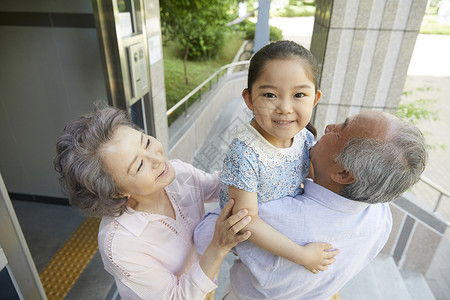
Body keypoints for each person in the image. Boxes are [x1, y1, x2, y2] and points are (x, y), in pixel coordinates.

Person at [195, 111, 428, 299]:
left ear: (344, 172)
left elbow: (204, 236)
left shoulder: (273, 215)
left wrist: (243, 179)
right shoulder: (381, 213)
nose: (329, 126)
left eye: (341, 129)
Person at [53, 106, 252, 299]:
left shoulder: (179, 174)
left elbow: (222, 185)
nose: (156, 158)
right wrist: (218, 246)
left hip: (205, 285)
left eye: (146, 143)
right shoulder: (120, 244)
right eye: (139, 165)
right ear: (115, 193)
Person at [217, 40, 338, 274]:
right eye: (270, 95)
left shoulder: (303, 136)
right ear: (249, 99)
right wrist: (302, 255)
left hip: (286, 220)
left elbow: (313, 175)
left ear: (315, 99)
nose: (285, 108)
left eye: (299, 94)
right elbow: (247, 220)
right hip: (254, 238)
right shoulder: (245, 153)